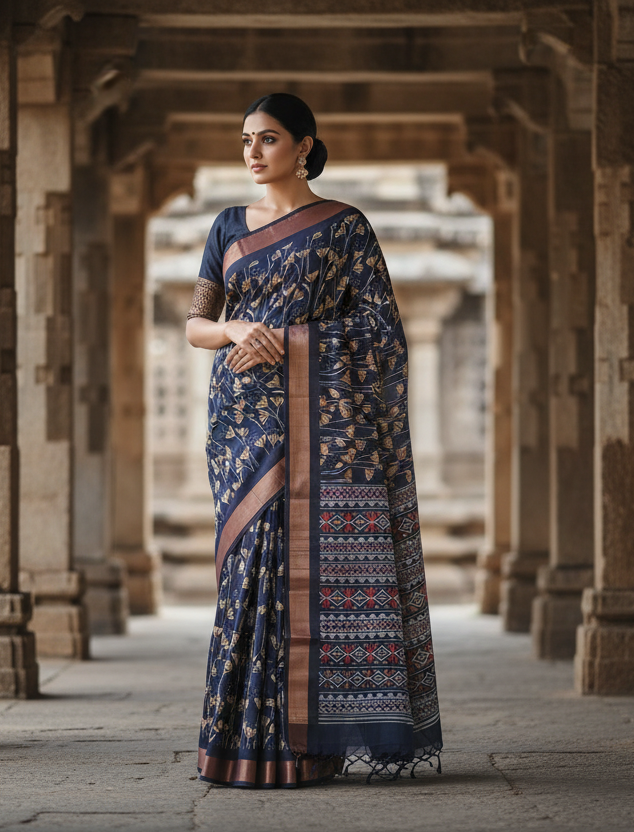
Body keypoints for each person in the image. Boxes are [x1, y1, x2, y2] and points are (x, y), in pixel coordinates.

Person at [186, 92, 443, 788]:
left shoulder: (345, 228)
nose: (252, 152)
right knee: (245, 574)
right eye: (245, 140)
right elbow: (197, 325)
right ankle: (236, 743)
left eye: (267, 139)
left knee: (300, 570)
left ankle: (302, 746)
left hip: (317, 419)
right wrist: (239, 330)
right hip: (240, 421)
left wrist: (292, 342)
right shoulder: (227, 227)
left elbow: (382, 336)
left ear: (303, 147)